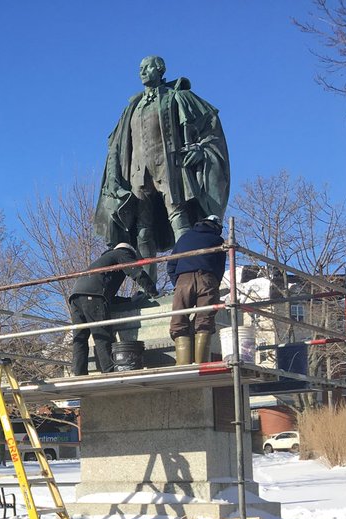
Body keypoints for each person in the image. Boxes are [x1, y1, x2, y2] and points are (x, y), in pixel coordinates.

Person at [94, 55, 230, 284]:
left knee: (180, 220)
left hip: (170, 171)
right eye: (140, 68)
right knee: (142, 230)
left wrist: (201, 150)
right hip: (138, 175)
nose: (142, 71)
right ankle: (147, 288)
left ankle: (187, 277)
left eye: (147, 67)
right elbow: (116, 145)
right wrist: (114, 177)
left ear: (160, 70)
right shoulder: (132, 107)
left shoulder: (178, 98)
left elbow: (210, 127)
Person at [67, 242, 157, 376]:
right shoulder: (122, 254)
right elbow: (137, 273)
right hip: (93, 295)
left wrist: (128, 300)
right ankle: (109, 373)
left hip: (75, 297)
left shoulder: (104, 263)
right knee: (102, 335)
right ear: (129, 253)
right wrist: (153, 292)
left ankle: (79, 374)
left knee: (80, 338)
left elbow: (108, 297)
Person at [167, 215, 227, 365]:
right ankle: (200, 364)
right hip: (208, 279)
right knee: (204, 322)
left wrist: (179, 282)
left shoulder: (184, 238)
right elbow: (220, 268)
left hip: (183, 280)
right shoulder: (218, 241)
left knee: (179, 322)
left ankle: (183, 365)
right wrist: (213, 284)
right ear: (217, 227)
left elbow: (171, 265)